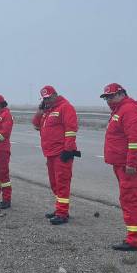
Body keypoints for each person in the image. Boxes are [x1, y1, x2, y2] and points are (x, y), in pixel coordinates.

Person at [100, 83, 137, 251]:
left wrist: (131, 163)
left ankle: (134, 240)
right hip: (122, 164)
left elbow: (136, 139)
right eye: (106, 98)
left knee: (129, 200)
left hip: (130, 166)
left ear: (122, 94)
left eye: (112, 96)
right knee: (134, 199)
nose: (109, 100)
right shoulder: (120, 109)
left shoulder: (128, 110)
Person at [31, 86, 80, 225]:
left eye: (49, 98)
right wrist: (40, 111)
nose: (47, 100)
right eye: (44, 99)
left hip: (61, 153)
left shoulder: (65, 107)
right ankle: (60, 209)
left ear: (55, 95)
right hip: (50, 153)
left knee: (62, 183)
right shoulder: (47, 111)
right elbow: (36, 125)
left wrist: (68, 150)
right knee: (54, 184)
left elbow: (71, 130)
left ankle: (62, 213)